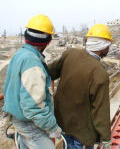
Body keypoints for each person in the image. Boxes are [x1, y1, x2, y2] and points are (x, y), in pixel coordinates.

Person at [49, 24, 112, 149]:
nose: (109, 48)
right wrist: (106, 139)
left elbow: (49, 72)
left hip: (62, 123)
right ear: (103, 47)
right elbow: (100, 110)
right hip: (82, 133)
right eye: (108, 44)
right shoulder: (99, 72)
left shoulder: (70, 54)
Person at [3, 14, 61, 149]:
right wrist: (53, 127)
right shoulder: (32, 62)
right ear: (48, 40)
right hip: (28, 124)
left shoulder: (20, 54)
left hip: (20, 119)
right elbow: (33, 107)